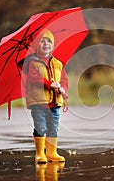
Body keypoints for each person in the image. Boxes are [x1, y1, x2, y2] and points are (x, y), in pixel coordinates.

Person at [24, 29, 68, 164]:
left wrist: (62, 89)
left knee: (53, 127)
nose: (46, 44)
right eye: (42, 41)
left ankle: (51, 152)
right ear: (37, 45)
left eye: (49, 41)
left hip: (54, 103)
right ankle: (39, 154)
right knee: (40, 127)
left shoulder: (58, 63)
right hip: (39, 102)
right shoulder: (32, 63)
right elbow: (34, 79)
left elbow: (64, 80)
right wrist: (50, 84)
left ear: (53, 45)